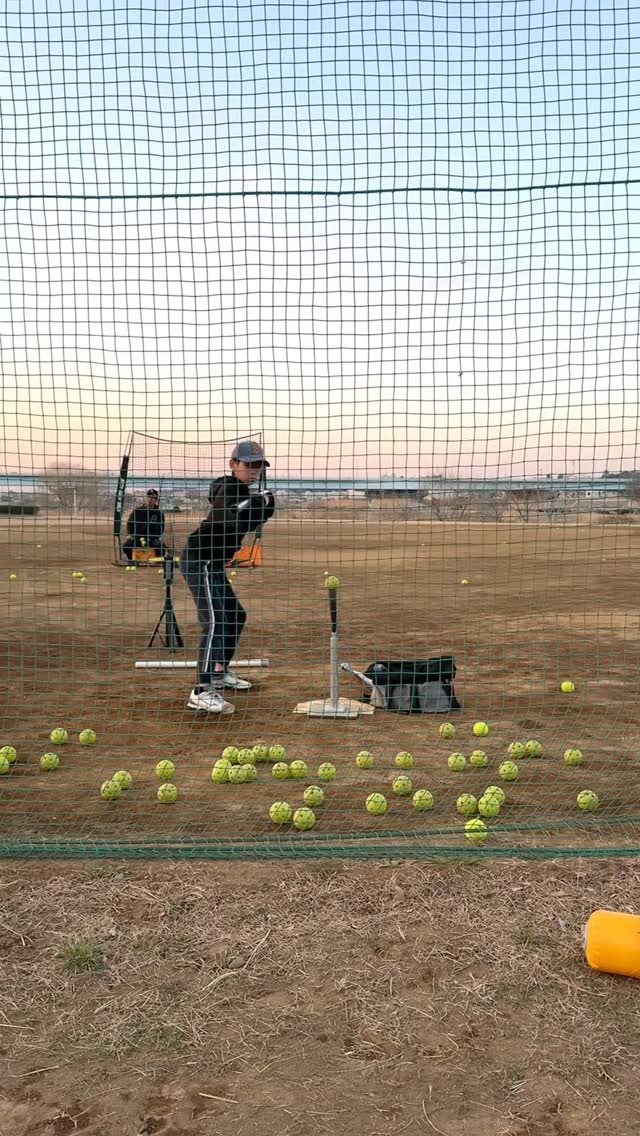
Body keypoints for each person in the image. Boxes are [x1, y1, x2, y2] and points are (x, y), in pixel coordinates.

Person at [180, 440, 275, 713]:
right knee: (214, 621)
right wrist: (258, 502)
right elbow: (230, 514)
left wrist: (261, 504)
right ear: (234, 465)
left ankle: (219, 671)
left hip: (214, 564)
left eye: (258, 466)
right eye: (249, 465)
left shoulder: (239, 490)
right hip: (201, 560)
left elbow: (249, 518)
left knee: (235, 615)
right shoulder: (230, 487)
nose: (254, 470)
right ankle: (202, 689)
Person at [122, 489, 169, 560]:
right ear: (146, 498)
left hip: (151, 539)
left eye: (153, 498)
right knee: (126, 545)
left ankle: (158, 559)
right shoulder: (137, 511)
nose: (150, 499)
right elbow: (130, 524)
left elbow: (161, 529)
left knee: (160, 547)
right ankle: (131, 559)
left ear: (156, 500)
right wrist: (130, 534)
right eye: (149, 497)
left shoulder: (159, 514)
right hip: (137, 538)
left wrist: (155, 537)